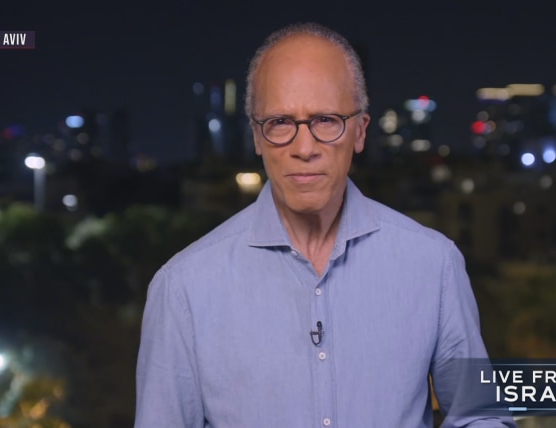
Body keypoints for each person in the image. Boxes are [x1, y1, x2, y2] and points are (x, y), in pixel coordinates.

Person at [135, 22, 515, 427]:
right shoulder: (183, 289)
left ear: (360, 131)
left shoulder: (434, 264)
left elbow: (481, 417)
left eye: (326, 120)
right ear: (257, 137)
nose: (304, 148)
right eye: (280, 122)